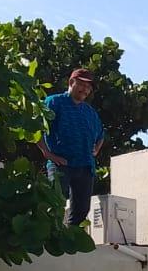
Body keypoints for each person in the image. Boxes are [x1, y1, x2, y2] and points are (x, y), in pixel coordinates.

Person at [38, 68, 105, 226]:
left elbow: (101, 135)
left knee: (82, 209)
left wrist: (96, 150)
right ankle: (50, 236)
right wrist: (47, 153)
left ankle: (72, 239)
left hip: (85, 167)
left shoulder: (90, 112)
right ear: (71, 82)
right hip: (61, 164)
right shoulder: (53, 102)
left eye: (89, 87)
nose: (85, 90)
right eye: (82, 85)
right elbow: (35, 127)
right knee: (54, 203)